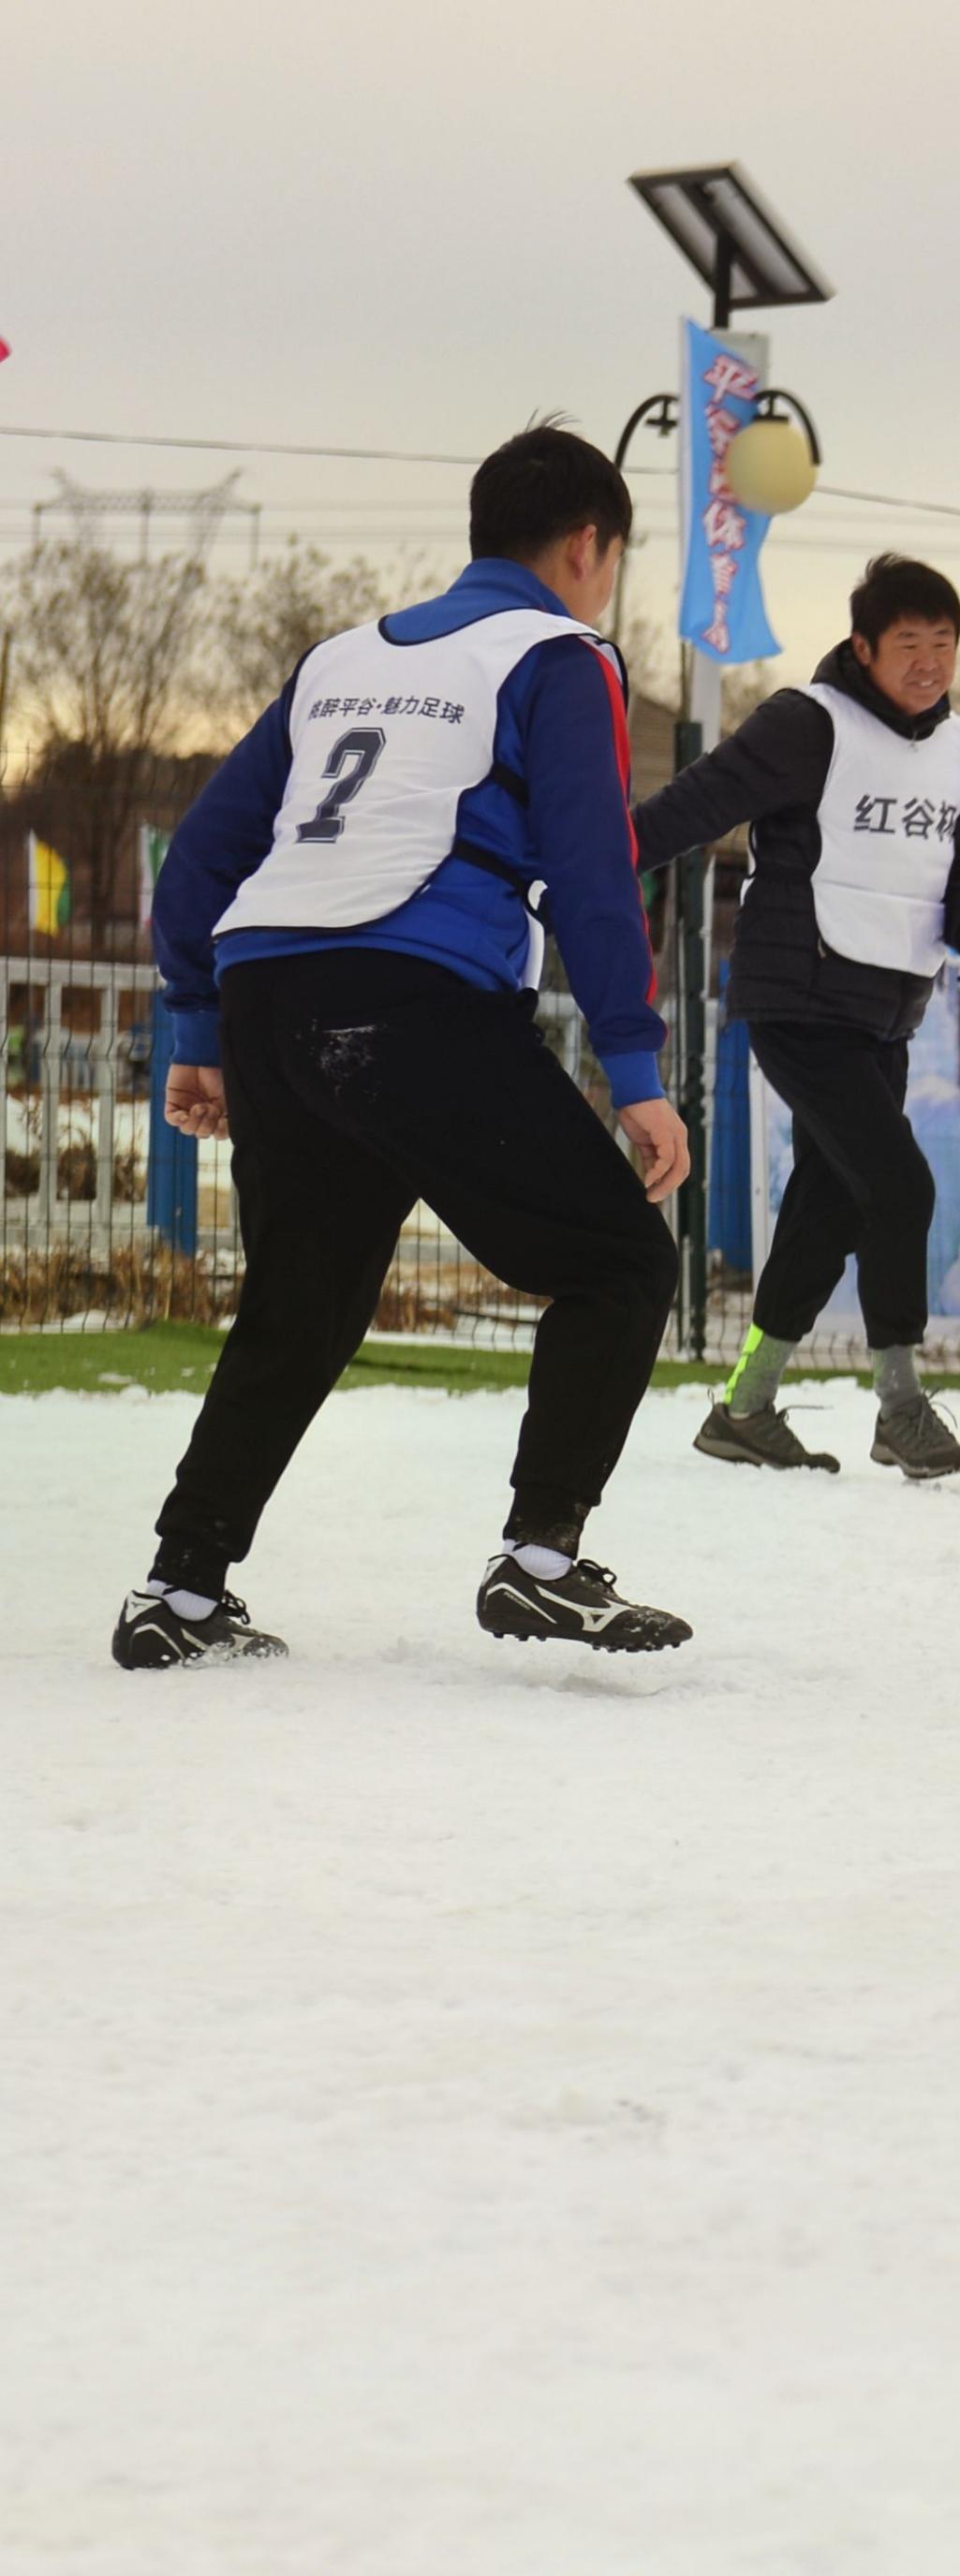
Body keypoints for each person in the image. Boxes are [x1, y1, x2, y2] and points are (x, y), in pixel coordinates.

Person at [124, 423, 690, 1665]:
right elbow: (595, 882)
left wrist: (199, 1028)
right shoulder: (558, 656)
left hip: (271, 991)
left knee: (302, 1299)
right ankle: (541, 1557)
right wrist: (638, 1076)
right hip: (404, 998)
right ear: (590, 547)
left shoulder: (342, 659)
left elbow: (199, 867)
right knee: (618, 1263)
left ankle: (183, 1587)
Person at [630, 554, 960, 1480]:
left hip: (887, 1012)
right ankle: (901, 1404)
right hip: (799, 998)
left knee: (826, 1202)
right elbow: (693, 805)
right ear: (864, 646)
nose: (929, 662)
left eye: (944, 643)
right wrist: (589, 856)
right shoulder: (809, 723)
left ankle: (746, 1407)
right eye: (909, 643)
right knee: (900, 1185)